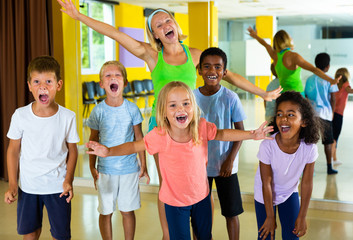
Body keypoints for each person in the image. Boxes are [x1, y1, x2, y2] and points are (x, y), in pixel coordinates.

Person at [57, 2, 282, 238]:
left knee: (196, 178)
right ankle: (168, 233)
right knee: (169, 184)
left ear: (175, 24)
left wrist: (262, 93)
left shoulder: (194, 54)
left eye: (167, 20)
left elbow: (227, 73)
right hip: (162, 127)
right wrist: (79, 16)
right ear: (155, 34)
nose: (165, 25)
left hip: (191, 123)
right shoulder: (152, 55)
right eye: (158, 25)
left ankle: (198, 229)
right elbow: (115, 34)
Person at [86, 81, 274, 240]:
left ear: (193, 106)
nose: (180, 109)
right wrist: (108, 151)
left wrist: (252, 134)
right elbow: (134, 146)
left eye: (185, 103)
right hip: (174, 203)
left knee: (204, 236)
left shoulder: (201, 127)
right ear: (164, 111)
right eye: (173, 105)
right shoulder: (159, 135)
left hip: (201, 198)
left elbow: (223, 133)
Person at [4, 56, 79, 240]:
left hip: (58, 186)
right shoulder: (20, 115)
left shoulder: (68, 116)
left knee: (61, 235)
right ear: (29, 85)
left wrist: (68, 180)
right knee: (30, 233)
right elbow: (13, 150)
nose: (42, 86)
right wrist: (13, 184)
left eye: (48, 81)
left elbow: (73, 151)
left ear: (58, 85)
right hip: (28, 186)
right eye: (36, 82)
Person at [86, 61, 150, 240]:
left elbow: (139, 139)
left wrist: (143, 165)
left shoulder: (132, 109)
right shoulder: (98, 111)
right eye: (108, 75)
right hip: (105, 171)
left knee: (127, 211)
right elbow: (93, 141)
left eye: (117, 75)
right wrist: (93, 167)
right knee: (105, 212)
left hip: (129, 170)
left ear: (125, 82)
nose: (113, 78)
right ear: (101, 84)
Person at [193, 47, 245, 240]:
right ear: (199, 70)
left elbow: (239, 132)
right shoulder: (190, 97)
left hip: (225, 166)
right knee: (199, 214)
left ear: (224, 71)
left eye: (217, 67)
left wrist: (230, 160)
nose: (212, 71)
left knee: (231, 213)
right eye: (206, 66)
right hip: (199, 167)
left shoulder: (231, 98)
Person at [254, 91, 320, 240]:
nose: (283, 119)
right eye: (279, 114)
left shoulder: (309, 148)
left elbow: (307, 183)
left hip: (289, 193)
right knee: (266, 235)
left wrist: (302, 216)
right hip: (264, 194)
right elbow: (267, 182)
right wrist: (270, 217)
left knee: (292, 236)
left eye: (290, 115)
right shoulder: (268, 145)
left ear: (304, 121)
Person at [247, 27, 340, 94]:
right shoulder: (294, 56)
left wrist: (255, 36)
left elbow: (266, 44)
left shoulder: (275, 56)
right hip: (297, 93)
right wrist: (330, 80)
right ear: (287, 40)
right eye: (290, 37)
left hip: (284, 94)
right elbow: (314, 69)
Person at [305, 53, 338, 175]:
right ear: (328, 66)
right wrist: (333, 113)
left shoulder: (309, 79)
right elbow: (333, 98)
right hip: (326, 114)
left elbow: (307, 97)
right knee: (328, 142)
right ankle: (329, 167)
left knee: (310, 141)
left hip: (313, 114)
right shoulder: (329, 79)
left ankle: (309, 169)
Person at [332, 68, 353, 165]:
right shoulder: (345, 85)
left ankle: (334, 158)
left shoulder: (335, 84)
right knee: (335, 138)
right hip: (339, 115)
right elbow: (350, 90)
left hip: (332, 114)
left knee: (333, 137)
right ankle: (332, 159)